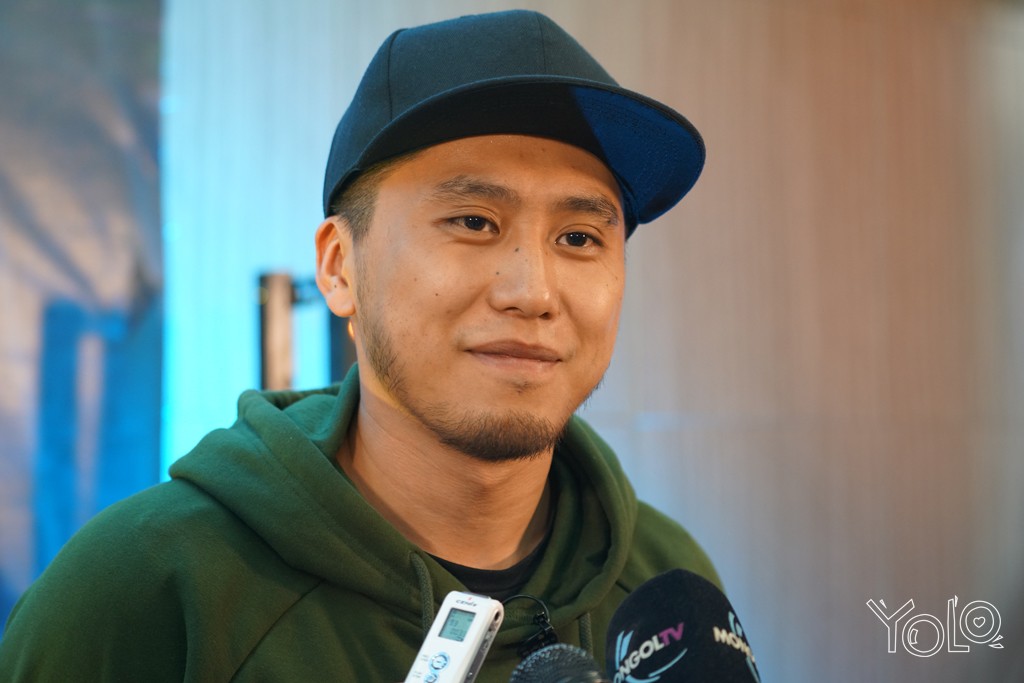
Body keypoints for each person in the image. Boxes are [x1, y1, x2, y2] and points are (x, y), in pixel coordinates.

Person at [0, 10, 719, 681]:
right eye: (473, 221)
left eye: (579, 238)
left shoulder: (665, 592)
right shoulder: (143, 591)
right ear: (340, 266)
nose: (532, 292)